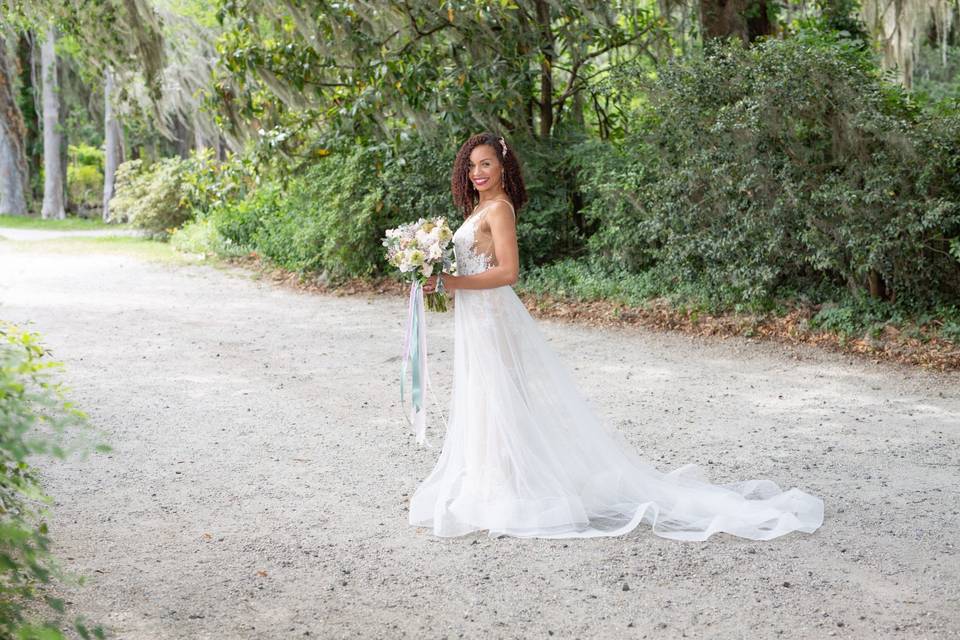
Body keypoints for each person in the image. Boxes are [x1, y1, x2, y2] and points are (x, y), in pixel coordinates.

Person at [409, 132, 824, 540]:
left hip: (493, 319)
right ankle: (487, 487)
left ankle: (510, 492)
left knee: (498, 396)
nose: (478, 172)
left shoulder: (499, 209)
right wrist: (437, 279)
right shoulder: (476, 210)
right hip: (474, 317)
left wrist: (452, 283)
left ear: (503, 168)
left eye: (487, 164)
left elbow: (508, 273)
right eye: (472, 164)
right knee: (483, 398)